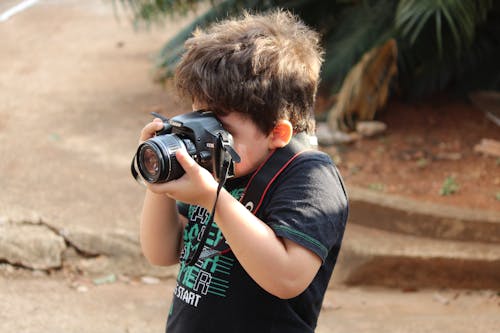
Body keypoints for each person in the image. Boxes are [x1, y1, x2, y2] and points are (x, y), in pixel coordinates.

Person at [138, 10, 348, 333]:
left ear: (277, 133)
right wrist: (159, 183)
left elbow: (288, 276)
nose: (204, 132)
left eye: (219, 125)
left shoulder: (309, 176)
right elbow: (161, 251)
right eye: (199, 115)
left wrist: (213, 199)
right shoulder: (211, 167)